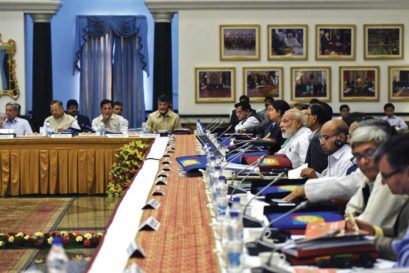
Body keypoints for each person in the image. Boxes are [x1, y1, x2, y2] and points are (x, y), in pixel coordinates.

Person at [283, 120, 390, 204]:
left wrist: (311, 187)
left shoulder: (349, 159)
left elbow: (345, 189)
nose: (348, 140)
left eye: (351, 136)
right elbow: (346, 184)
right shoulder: (335, 155)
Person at [304, 103, 332, 173]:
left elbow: (316, 169)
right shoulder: (320, 133)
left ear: (314, 118)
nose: (305, 117)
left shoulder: (317, 138)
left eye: (307, 115)